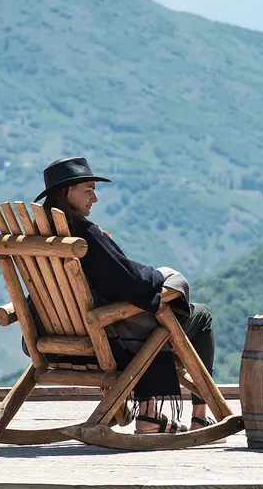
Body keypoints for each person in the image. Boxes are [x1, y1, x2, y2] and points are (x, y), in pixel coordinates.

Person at [35, 156, 215, 434]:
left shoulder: (41, 238)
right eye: (88, 190)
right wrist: (162, 274)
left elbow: (113, 277)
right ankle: (198, 416)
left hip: (53, 337)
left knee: (148, 319)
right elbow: (128, 281)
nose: (94, 198)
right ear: (67, 191)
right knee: (198, 315)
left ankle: (151, 415)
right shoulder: (83, 236)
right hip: (104, 339)